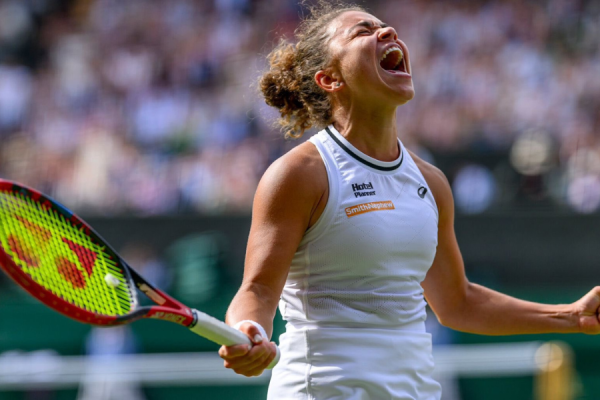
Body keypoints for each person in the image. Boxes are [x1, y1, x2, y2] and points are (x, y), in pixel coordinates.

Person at [218, 2, 600, 399]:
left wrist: (570, 315)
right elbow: (258, 291)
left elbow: (458, 302)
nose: (387, 32)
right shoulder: (299, 173)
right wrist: (250, 329)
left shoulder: (430, 182)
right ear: (330, 78)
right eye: (361, 31)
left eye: (385, 26)